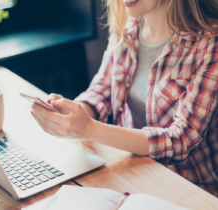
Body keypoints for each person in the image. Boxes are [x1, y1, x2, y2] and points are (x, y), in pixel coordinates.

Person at [30, 0, 218, 196]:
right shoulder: (129, 26)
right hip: (132, 170)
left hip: (190, 187)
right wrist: (73, 114)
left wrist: (88, 128)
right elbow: (101, 90)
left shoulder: (209, 42)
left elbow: (182, 139)